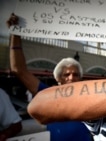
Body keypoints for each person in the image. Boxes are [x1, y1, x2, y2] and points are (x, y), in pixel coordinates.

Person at [7, 13, 93, 141]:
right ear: (59, 79)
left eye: (75, 74)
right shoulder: (48, 95)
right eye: (66, 74)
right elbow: (18, 69)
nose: (71, 77)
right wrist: (15, 33)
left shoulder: (90, 98)